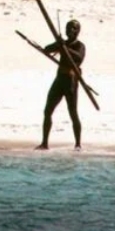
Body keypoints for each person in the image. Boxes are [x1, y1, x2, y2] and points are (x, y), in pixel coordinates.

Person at [36, 18, 86, 150]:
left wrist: (65, 47)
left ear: (77, 31)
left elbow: (79, 58)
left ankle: (78, 144)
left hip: (71, 82)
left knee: (73, 112)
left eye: (73, 28)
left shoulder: (80, 46)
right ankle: (44, 143)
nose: (69, 30)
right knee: (47, 111)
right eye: (68, 28)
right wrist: (59, 44)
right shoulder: (63, 43)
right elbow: (47, 49)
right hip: (59, 80)